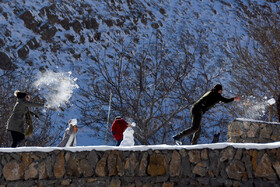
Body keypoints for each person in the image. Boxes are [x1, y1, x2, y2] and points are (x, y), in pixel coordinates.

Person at [173, 84, 241, 145]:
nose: (221, 92)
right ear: (219, 90)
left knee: (198, 129)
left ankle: (193, 145)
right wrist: (234, 99)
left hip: (194, 109)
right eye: (221, 91)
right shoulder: (216, 95)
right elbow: (226, 100)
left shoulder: (211, 93)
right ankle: (178, 136)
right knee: (195, 128)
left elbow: (211, 100)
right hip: (198, 110)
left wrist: (218, 100)